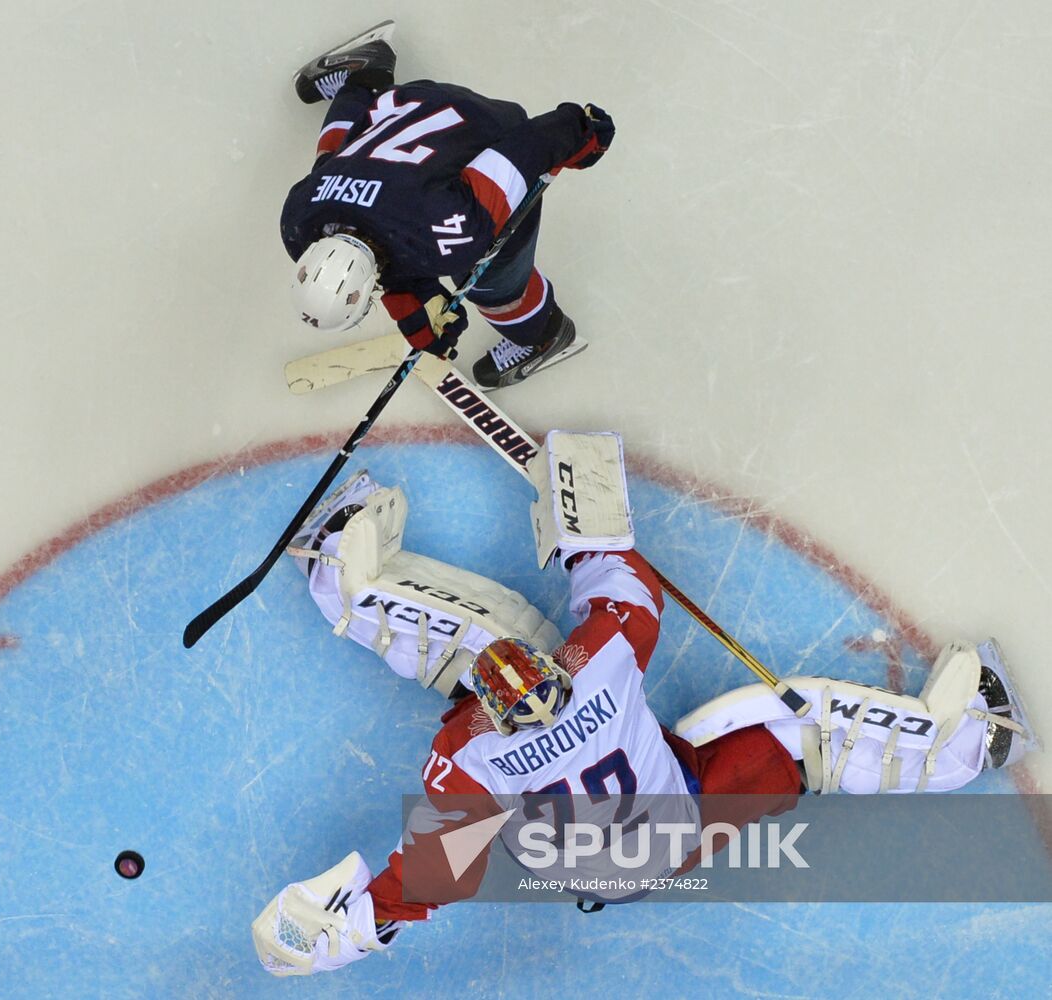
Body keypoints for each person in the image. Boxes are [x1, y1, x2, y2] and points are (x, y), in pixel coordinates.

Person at [250, 438, 1039, 977]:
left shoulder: (468, 751)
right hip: (674, 830)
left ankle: (339, 572)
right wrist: (580, 502)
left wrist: (344, 931)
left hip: (583, 863)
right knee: (803, 735)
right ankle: (972, 740)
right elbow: (626, 586)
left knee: (480, 639)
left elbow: (427, 881)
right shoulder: (596, 667)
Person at [281, 21, 614, 390]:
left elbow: (517, 155)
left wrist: (581, 133)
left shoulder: (447, 233)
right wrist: (410, 304)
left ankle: (546, 336)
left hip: (488, 124)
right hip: (412, 101)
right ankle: (365, 75)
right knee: (332, 159)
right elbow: (370, 211)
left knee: (492, 280)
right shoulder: (297, 221)